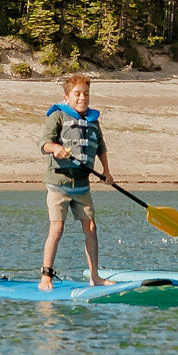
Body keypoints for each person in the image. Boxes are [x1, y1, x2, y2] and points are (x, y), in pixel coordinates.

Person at [36, 72, 115, 290]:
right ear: (67, 97)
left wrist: (107, 172)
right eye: (77, 94)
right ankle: (46, 277)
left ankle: (95, 277)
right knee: (57, 228)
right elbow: (44, 144)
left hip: (82, 186)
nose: (82, 98)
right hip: (58, 184)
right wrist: (56, 148)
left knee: (91, 227)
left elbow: (101, 148)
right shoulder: (58, 116)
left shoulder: (92, 121)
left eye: (86, 94)